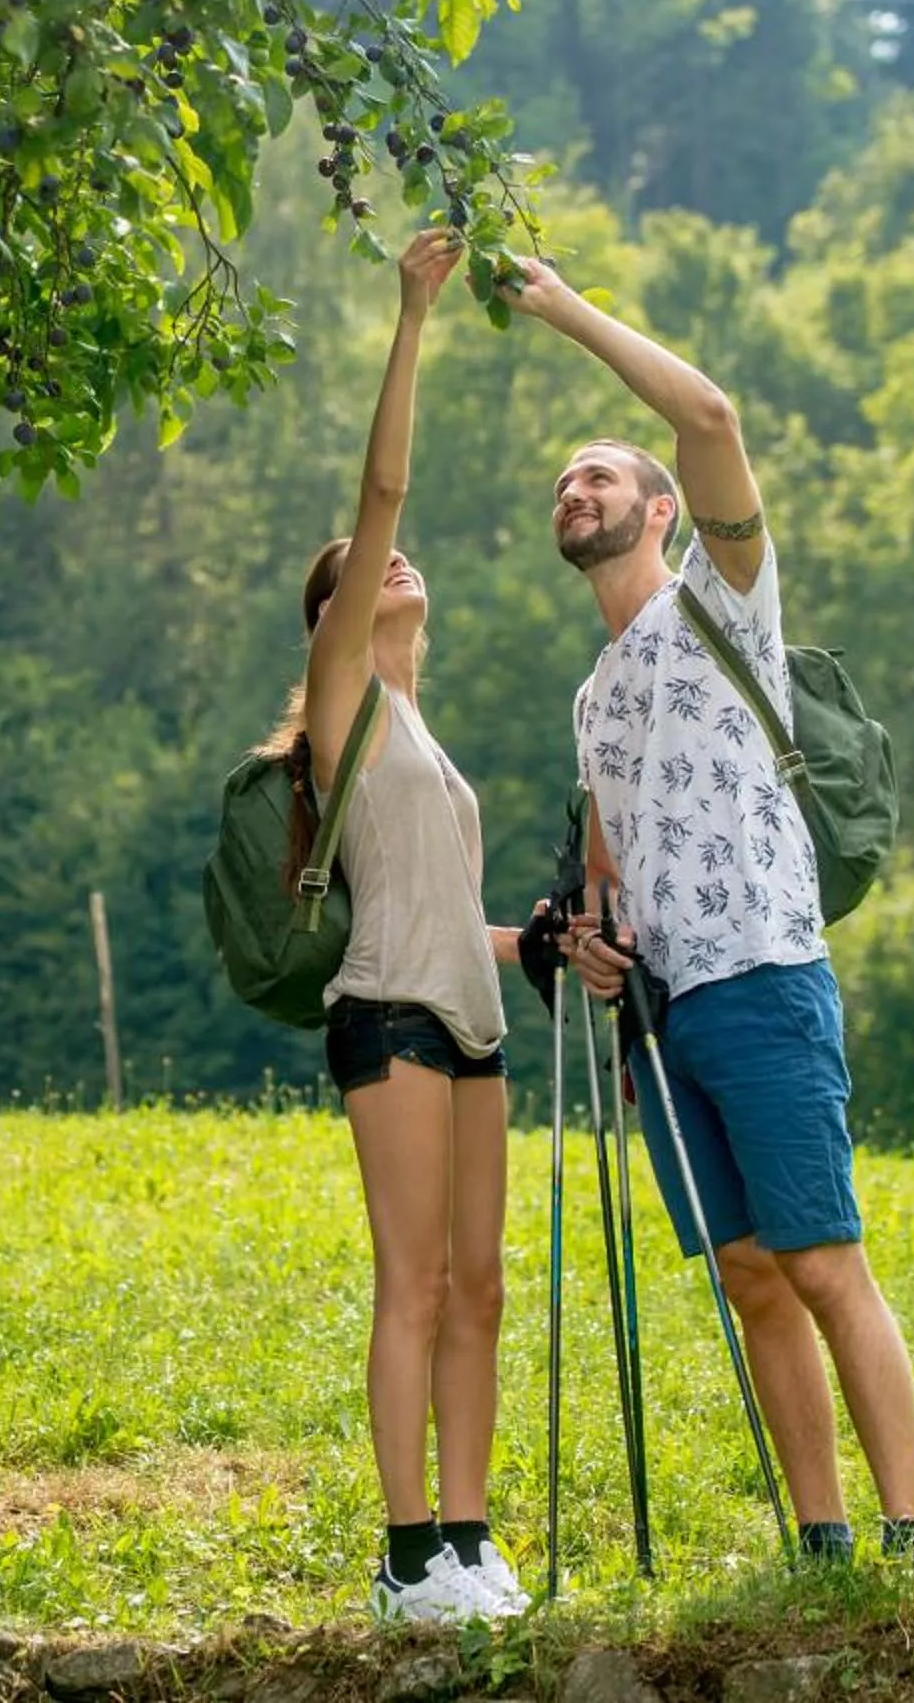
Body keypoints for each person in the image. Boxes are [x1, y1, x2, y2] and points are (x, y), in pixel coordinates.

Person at [499, 255, 914, 1569]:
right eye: (563, 483)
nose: (574, 491)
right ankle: (822, 1543)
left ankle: (913, 1538)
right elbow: (605, 877)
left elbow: (711, 416)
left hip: (763, 975)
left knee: (823, 1262)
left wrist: (562, 310)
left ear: (661, 509)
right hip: (664, 1020)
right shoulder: (592, 698)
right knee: (750, 1276)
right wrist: (587, 944)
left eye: (598, 475)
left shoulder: (722, 603)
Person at [268, 227, 528, 1622]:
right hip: (387, 1020)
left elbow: (442, 913)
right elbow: (383, 489)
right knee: (414, 1281)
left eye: (400, 563)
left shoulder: (423, 731)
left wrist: (534, 943)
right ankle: (406, 1553)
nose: (394, 561)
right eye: (366, 570)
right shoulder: (345, 704)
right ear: (334, 615)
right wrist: (414, 315)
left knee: (480, 1287)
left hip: (471, 1021)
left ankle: (471, 1545)